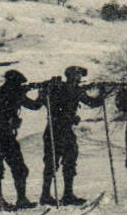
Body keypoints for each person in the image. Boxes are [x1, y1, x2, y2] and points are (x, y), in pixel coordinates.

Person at [0, 70, 44, 209]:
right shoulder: (7, 94)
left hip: (1, 135)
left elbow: (33, 105)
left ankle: (15, 199)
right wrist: (42, 95)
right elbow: (35, 105)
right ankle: (3, 201)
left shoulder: (2, 93)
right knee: (0, 168)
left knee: (13, 168)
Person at [38, 66, 106, 205]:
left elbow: (92, 103)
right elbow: (47, 103)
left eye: (80, 76)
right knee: (53, 161)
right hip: (56, 129)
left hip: (64, 129)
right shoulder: (59, 88)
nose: (79, 78)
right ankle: (47, 195)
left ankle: (66, 194)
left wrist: (102, 93)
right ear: (70, 76)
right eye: (77, 75)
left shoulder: (73, 90)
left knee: (69, 160)